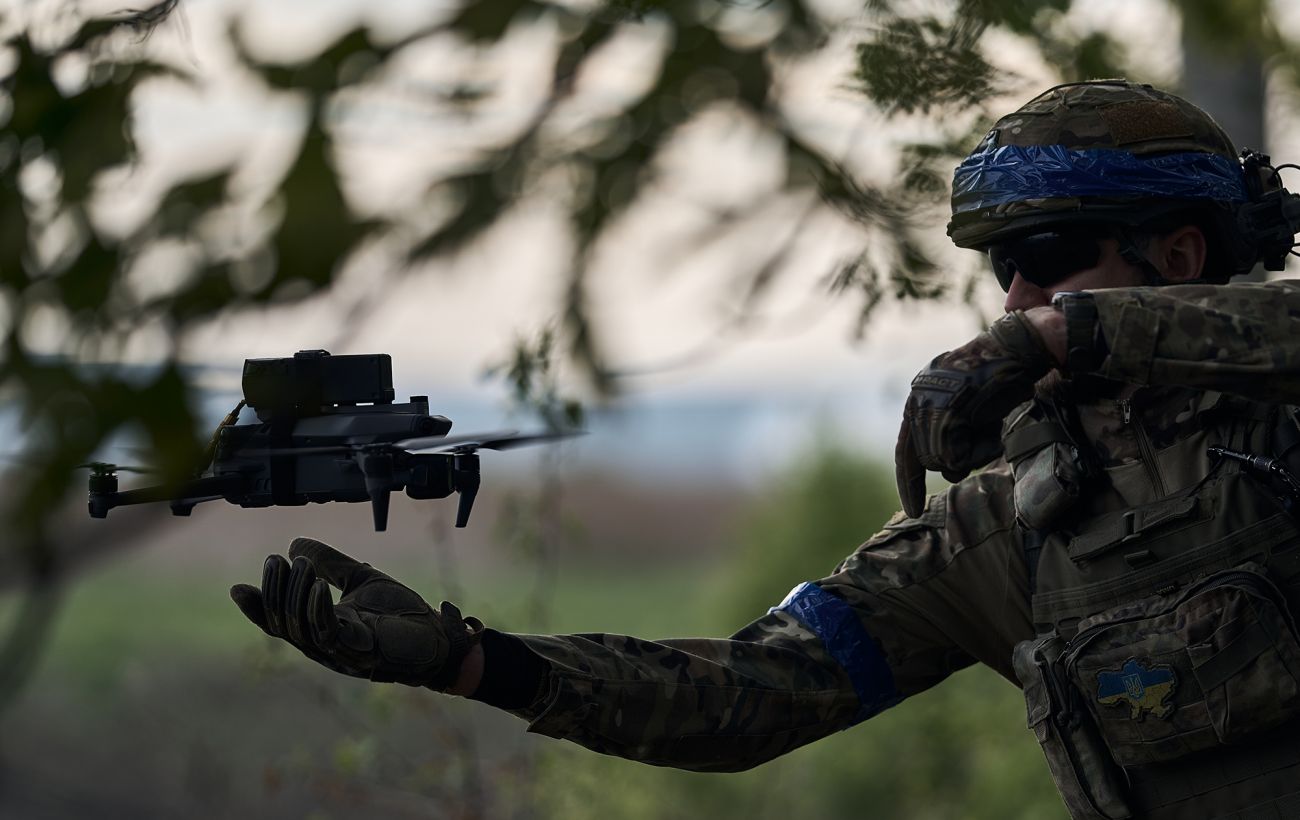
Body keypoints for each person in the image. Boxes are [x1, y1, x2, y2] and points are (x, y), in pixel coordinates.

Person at [230, 81, 1300, 819]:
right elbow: (750, 692)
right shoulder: (1008, 527)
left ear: (1180, 256)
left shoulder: (1276, 419)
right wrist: (470, 661)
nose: (1016, 298)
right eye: (1000, 268)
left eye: (1050, 256)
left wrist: (1077, 336)